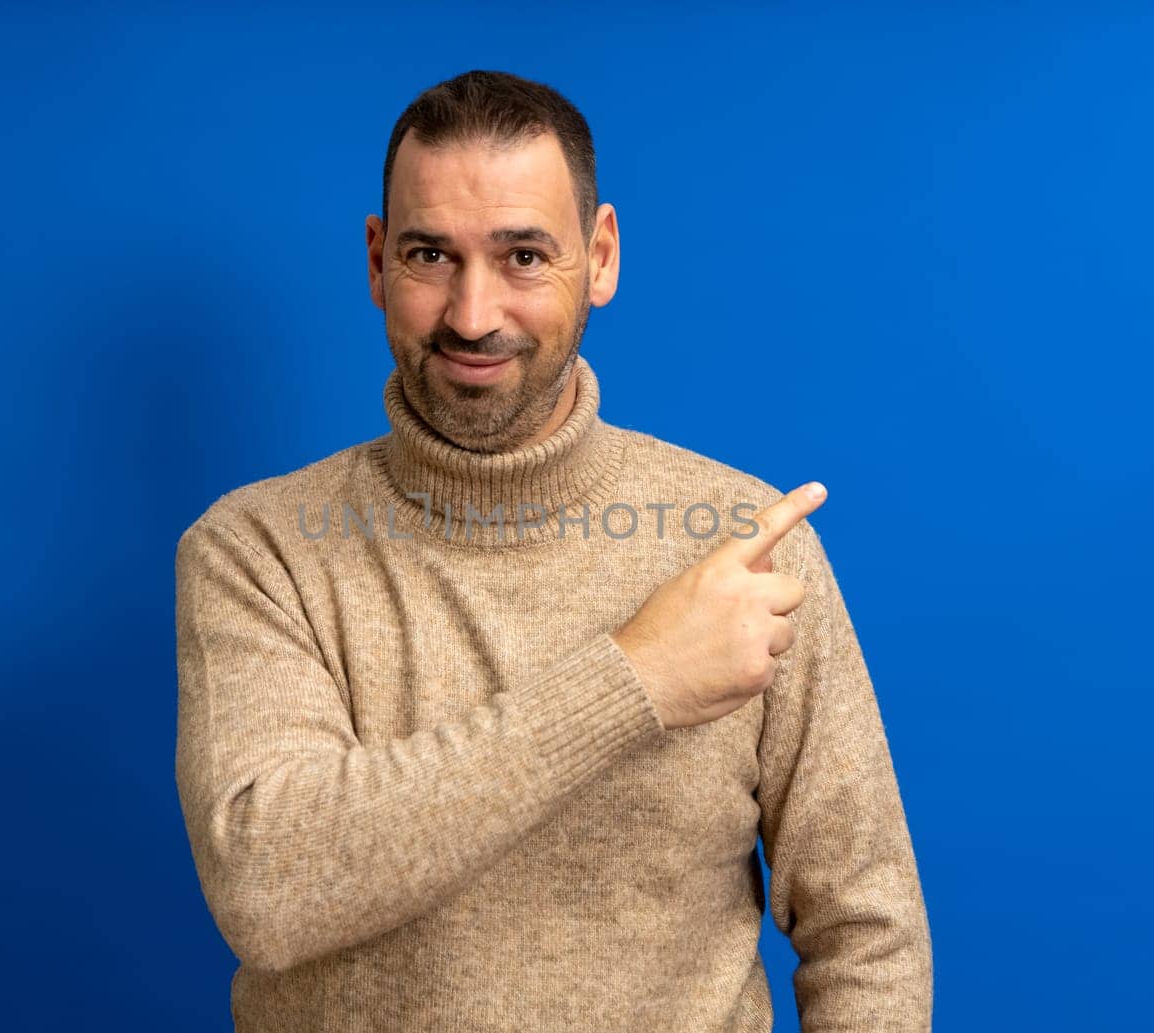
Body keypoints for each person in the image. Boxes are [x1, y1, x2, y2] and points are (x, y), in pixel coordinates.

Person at [175, 68, 932, 1031]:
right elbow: (270, 891)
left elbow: (868, 929)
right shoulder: (257, 551)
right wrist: (636, 679)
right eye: (429, 255)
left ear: (602, 256)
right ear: (375, 262)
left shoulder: (746, 547)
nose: (473, 312)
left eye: (524, 255)